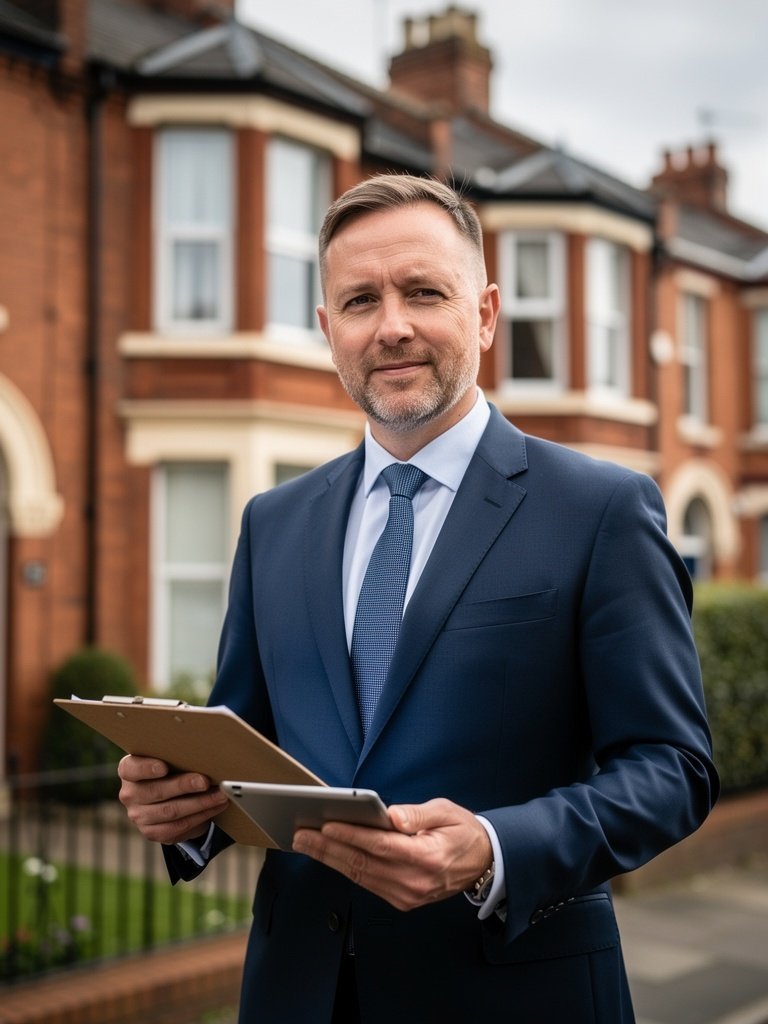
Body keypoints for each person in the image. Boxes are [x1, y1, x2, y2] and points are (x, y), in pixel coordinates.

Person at [118, 173, 718, 1023]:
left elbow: (673, 769)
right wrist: (187, 807)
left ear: (483, 313)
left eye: (423, 292)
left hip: (516, 992)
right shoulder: (274, 522)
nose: (391, 326)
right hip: (298, 993)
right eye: (360, 300)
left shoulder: (602, 510)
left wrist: (493, 846)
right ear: (329, 332)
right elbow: (245, 742)